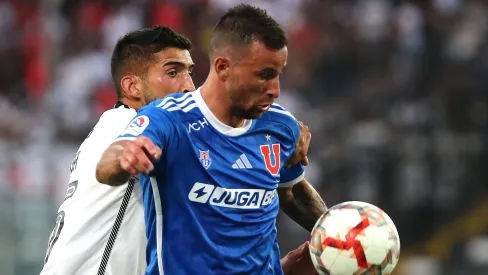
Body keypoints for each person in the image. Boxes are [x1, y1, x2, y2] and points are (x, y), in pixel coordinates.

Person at [40, 25, 316, 275]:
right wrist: (279, 134)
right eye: (172, 72)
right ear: (132, 86)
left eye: (189, 72)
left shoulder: (134, 128)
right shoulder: (127, 125)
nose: (188, 85)